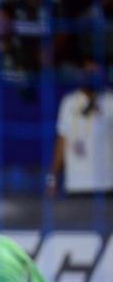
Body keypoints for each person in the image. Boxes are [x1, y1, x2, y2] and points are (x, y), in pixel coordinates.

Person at [47, 59, 113, 197]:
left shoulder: (110, 101)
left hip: (106, 186)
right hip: (75, 187)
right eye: (86, 72)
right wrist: (52, 179)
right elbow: (61, 142)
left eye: (94, 72)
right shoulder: (68, 103)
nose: (90, 76)